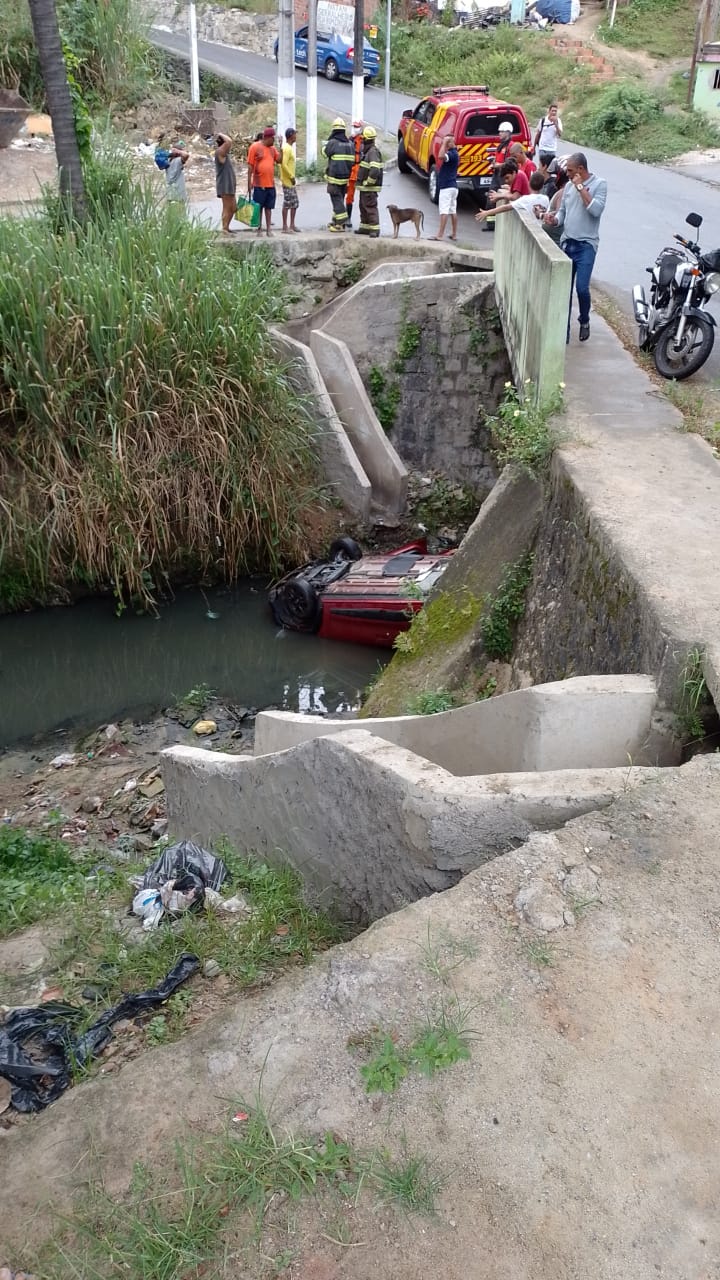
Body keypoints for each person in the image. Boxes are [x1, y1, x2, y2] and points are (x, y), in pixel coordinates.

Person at [543, 150, 607, 342]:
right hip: (567, 242)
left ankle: (584, 319)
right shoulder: (569, 187)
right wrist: (554, 219)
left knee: (581, 288)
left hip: (586, 245)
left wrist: (581, 188)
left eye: (570, 171)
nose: (567, 175)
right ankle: (564, 333)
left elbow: (595, 210)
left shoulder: (599, 185)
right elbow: (563, 212)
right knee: (565, 290)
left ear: (580, 169)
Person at [476, 170, 548, 224]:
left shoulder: (525, 200)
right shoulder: (546, 199)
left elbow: (506, 207)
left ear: (529, 184)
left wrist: (487, 213)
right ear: (542, 186)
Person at [322, 117, 354, 233]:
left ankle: (340, 224)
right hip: (345, 178)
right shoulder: (350, 144)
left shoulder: (333, 143)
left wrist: (326, 145)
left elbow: (325, 153)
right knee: (340, 198)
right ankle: (335, 220)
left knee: (336, 200)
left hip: (334, 178)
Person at [247, 126, 280, 236]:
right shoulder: (255, 147)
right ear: (267, 138)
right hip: (259, 183)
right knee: (259, 207)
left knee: (269, 208)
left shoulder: (272, 149)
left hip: (270, 183)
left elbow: (279, 160)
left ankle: (269, 229)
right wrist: (249, 183)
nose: (274, 141)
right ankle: (259, 228)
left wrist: (282, 147)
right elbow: (250, 166)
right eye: (273, 138)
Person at [482, 119, 514, 232]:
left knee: (502, 198)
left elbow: (510, 163)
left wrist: (498, 165)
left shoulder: (510, 146)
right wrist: (493, 163)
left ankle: (501, 225)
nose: (499, 133)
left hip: (503, 176)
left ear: (508, 132)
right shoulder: (500, 146)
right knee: (491, 197)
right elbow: (498, 158)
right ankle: (491, 225)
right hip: (496, 174)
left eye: (501, 131)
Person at [354, 125, 384, 237]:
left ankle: (374, 229)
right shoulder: (368, 151)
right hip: (365, 187)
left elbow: (375, 169)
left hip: (369, 187)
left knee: (370, 207)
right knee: (363, 206)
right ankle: (365, 227)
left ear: (366, 139)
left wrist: (369, 181)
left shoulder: (372, 152)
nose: (361, 141)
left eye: (363, 139)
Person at [431, 133, 459, 241]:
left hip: (447, 187)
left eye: (448, 142)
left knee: (444, 210)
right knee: (453, 210)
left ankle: (440, 235)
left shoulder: (452, 154)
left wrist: (443, 143)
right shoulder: (455, 153)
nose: (446, 145)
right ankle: (454, 234)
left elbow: (440, 156)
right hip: (453, 186)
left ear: (451, 142)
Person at [214, 132, 237, 234]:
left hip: (229, 184)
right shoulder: (220, 152)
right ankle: (224, 228)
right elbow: (229, 141)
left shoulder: (224, 154)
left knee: (233, 207)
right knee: (227, 207)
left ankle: (227, 227)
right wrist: (220, 133)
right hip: (224, 184)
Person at [345, 119, 364, 228]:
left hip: (361, 170)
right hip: (352, 171)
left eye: (357, 127)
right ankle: (348, 218)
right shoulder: (350, 140)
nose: (355, 129)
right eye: (354, 127)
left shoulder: (364, 141)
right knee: (349, 196)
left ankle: (364, 220)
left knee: (364, 197)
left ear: (361, 128)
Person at [280, 126, 299, 233]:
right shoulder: (287, 148)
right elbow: (283, 164)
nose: (296, 136)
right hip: (288, 181)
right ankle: (285, 226)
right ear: (291, 136)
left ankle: (291, 225)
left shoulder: (289, 148)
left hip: (290, 180)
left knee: (294, 203)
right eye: (295, 134)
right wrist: (291, 177)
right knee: (288, 203)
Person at [533, 103, 563, 169]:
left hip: (552, 149)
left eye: (555, 111)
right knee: (542, 167)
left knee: (550, 168)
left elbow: (560, 134)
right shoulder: (543, 120)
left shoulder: (558, 121)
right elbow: (538, 134)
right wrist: (534, 147)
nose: (554, 112)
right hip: (542, 148)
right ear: (549, 111)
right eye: (552, 111)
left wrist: (556, 124)